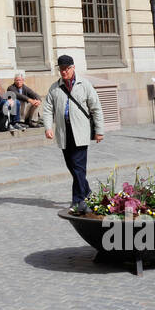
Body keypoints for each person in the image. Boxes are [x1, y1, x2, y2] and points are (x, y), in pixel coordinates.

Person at [42, 54, 105, 216]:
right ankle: (88, 193)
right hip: (64, 133)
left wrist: (99, 130)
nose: (63, 72)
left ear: (72, 68)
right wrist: (48, 127)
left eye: (66, 69)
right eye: (61, 69)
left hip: (81, 132)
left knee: (78, 167)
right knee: (72, 167)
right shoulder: (55, 87)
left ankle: (78, 200)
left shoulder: (84, 85)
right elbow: (48, 109)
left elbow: (96, 107)